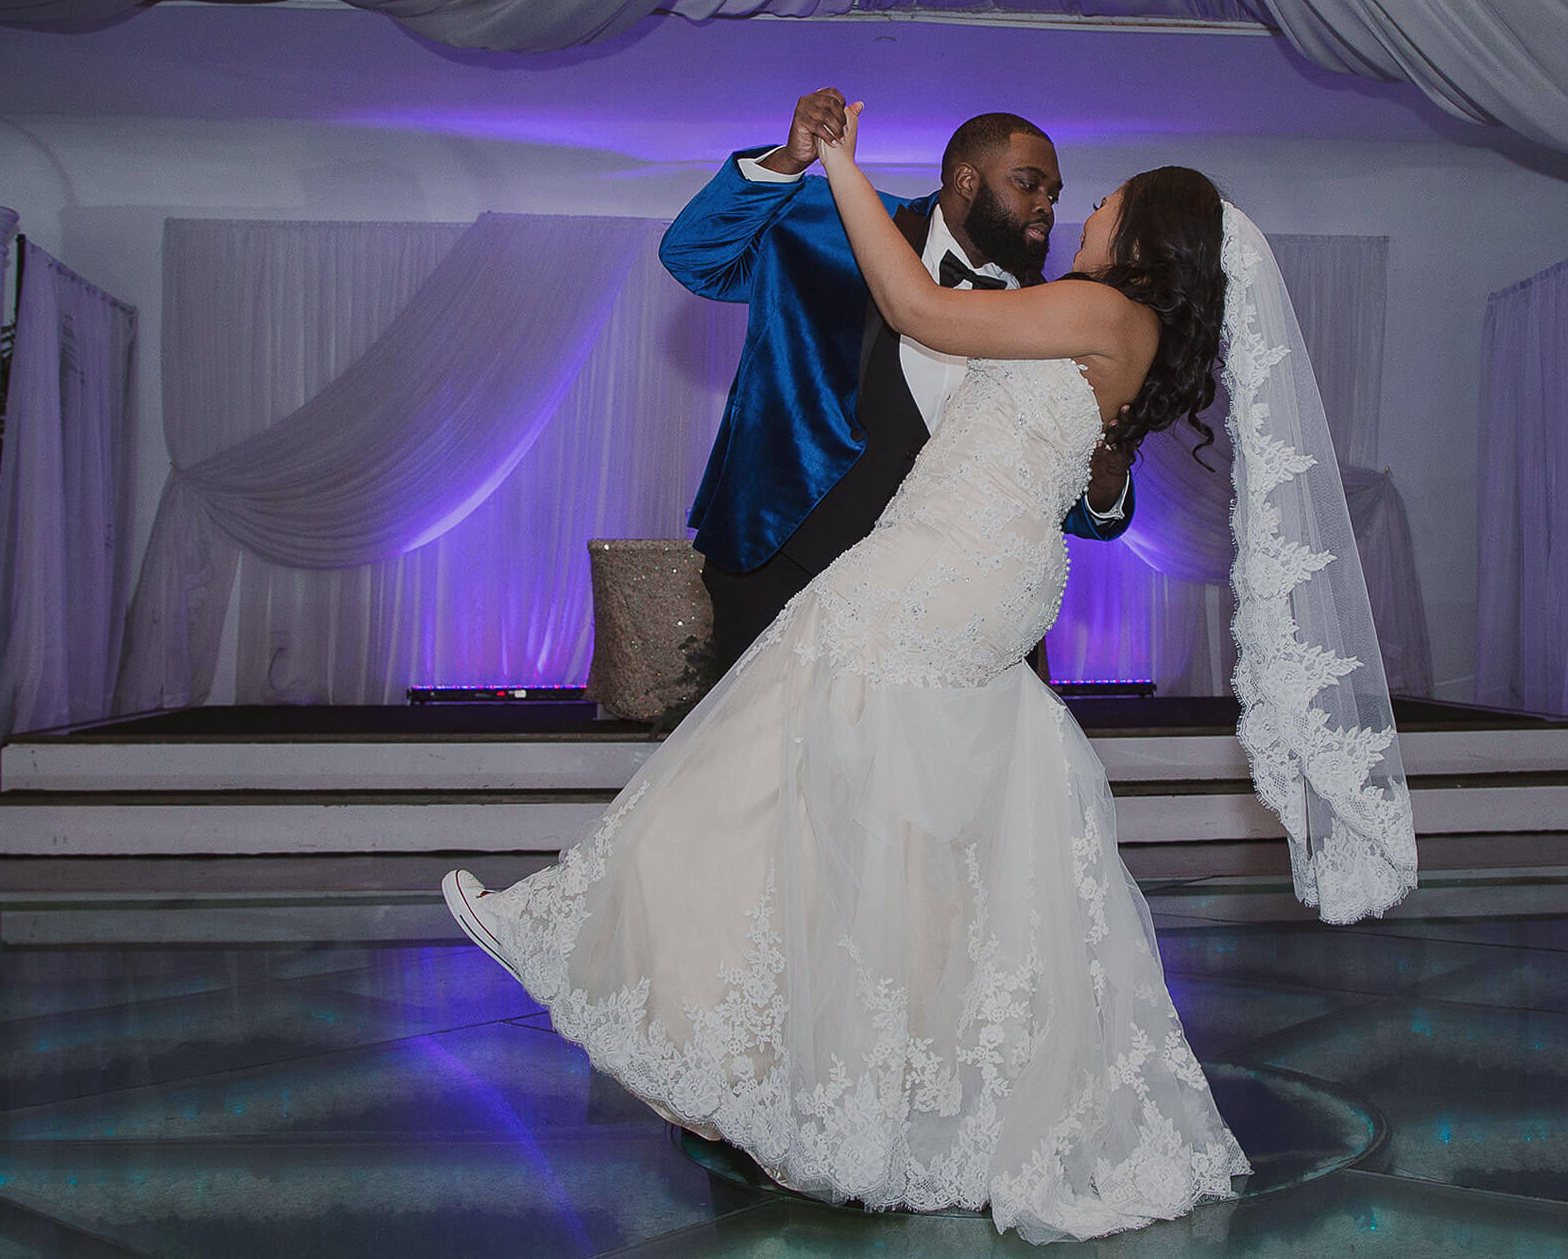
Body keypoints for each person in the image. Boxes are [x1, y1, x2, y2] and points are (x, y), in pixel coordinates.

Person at [444, 101, 1418, 1243]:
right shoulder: (1104, 328)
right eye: (1040, 185)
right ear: (963, 177)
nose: (1066, 207)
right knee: (887, 828)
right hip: (955, 580)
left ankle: (612, 949)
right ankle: (848, 1079)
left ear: (1144, 242)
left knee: (760, 765)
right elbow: (710, 262)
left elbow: (915, 309)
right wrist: (804, 168)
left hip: (936, 574)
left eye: (1090, 200)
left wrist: (846, 160)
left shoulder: (1089, 307)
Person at [659, 90, 1136, 672]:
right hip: (785, 558)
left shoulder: (1054, 314)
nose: (1045, 205)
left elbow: (1043, 492)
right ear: (966, 180)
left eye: (1054, 195)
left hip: (955, 604)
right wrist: (788, 159)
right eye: (1028, 183)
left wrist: (1106, 491)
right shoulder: (830, 221)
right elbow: (693, 257)